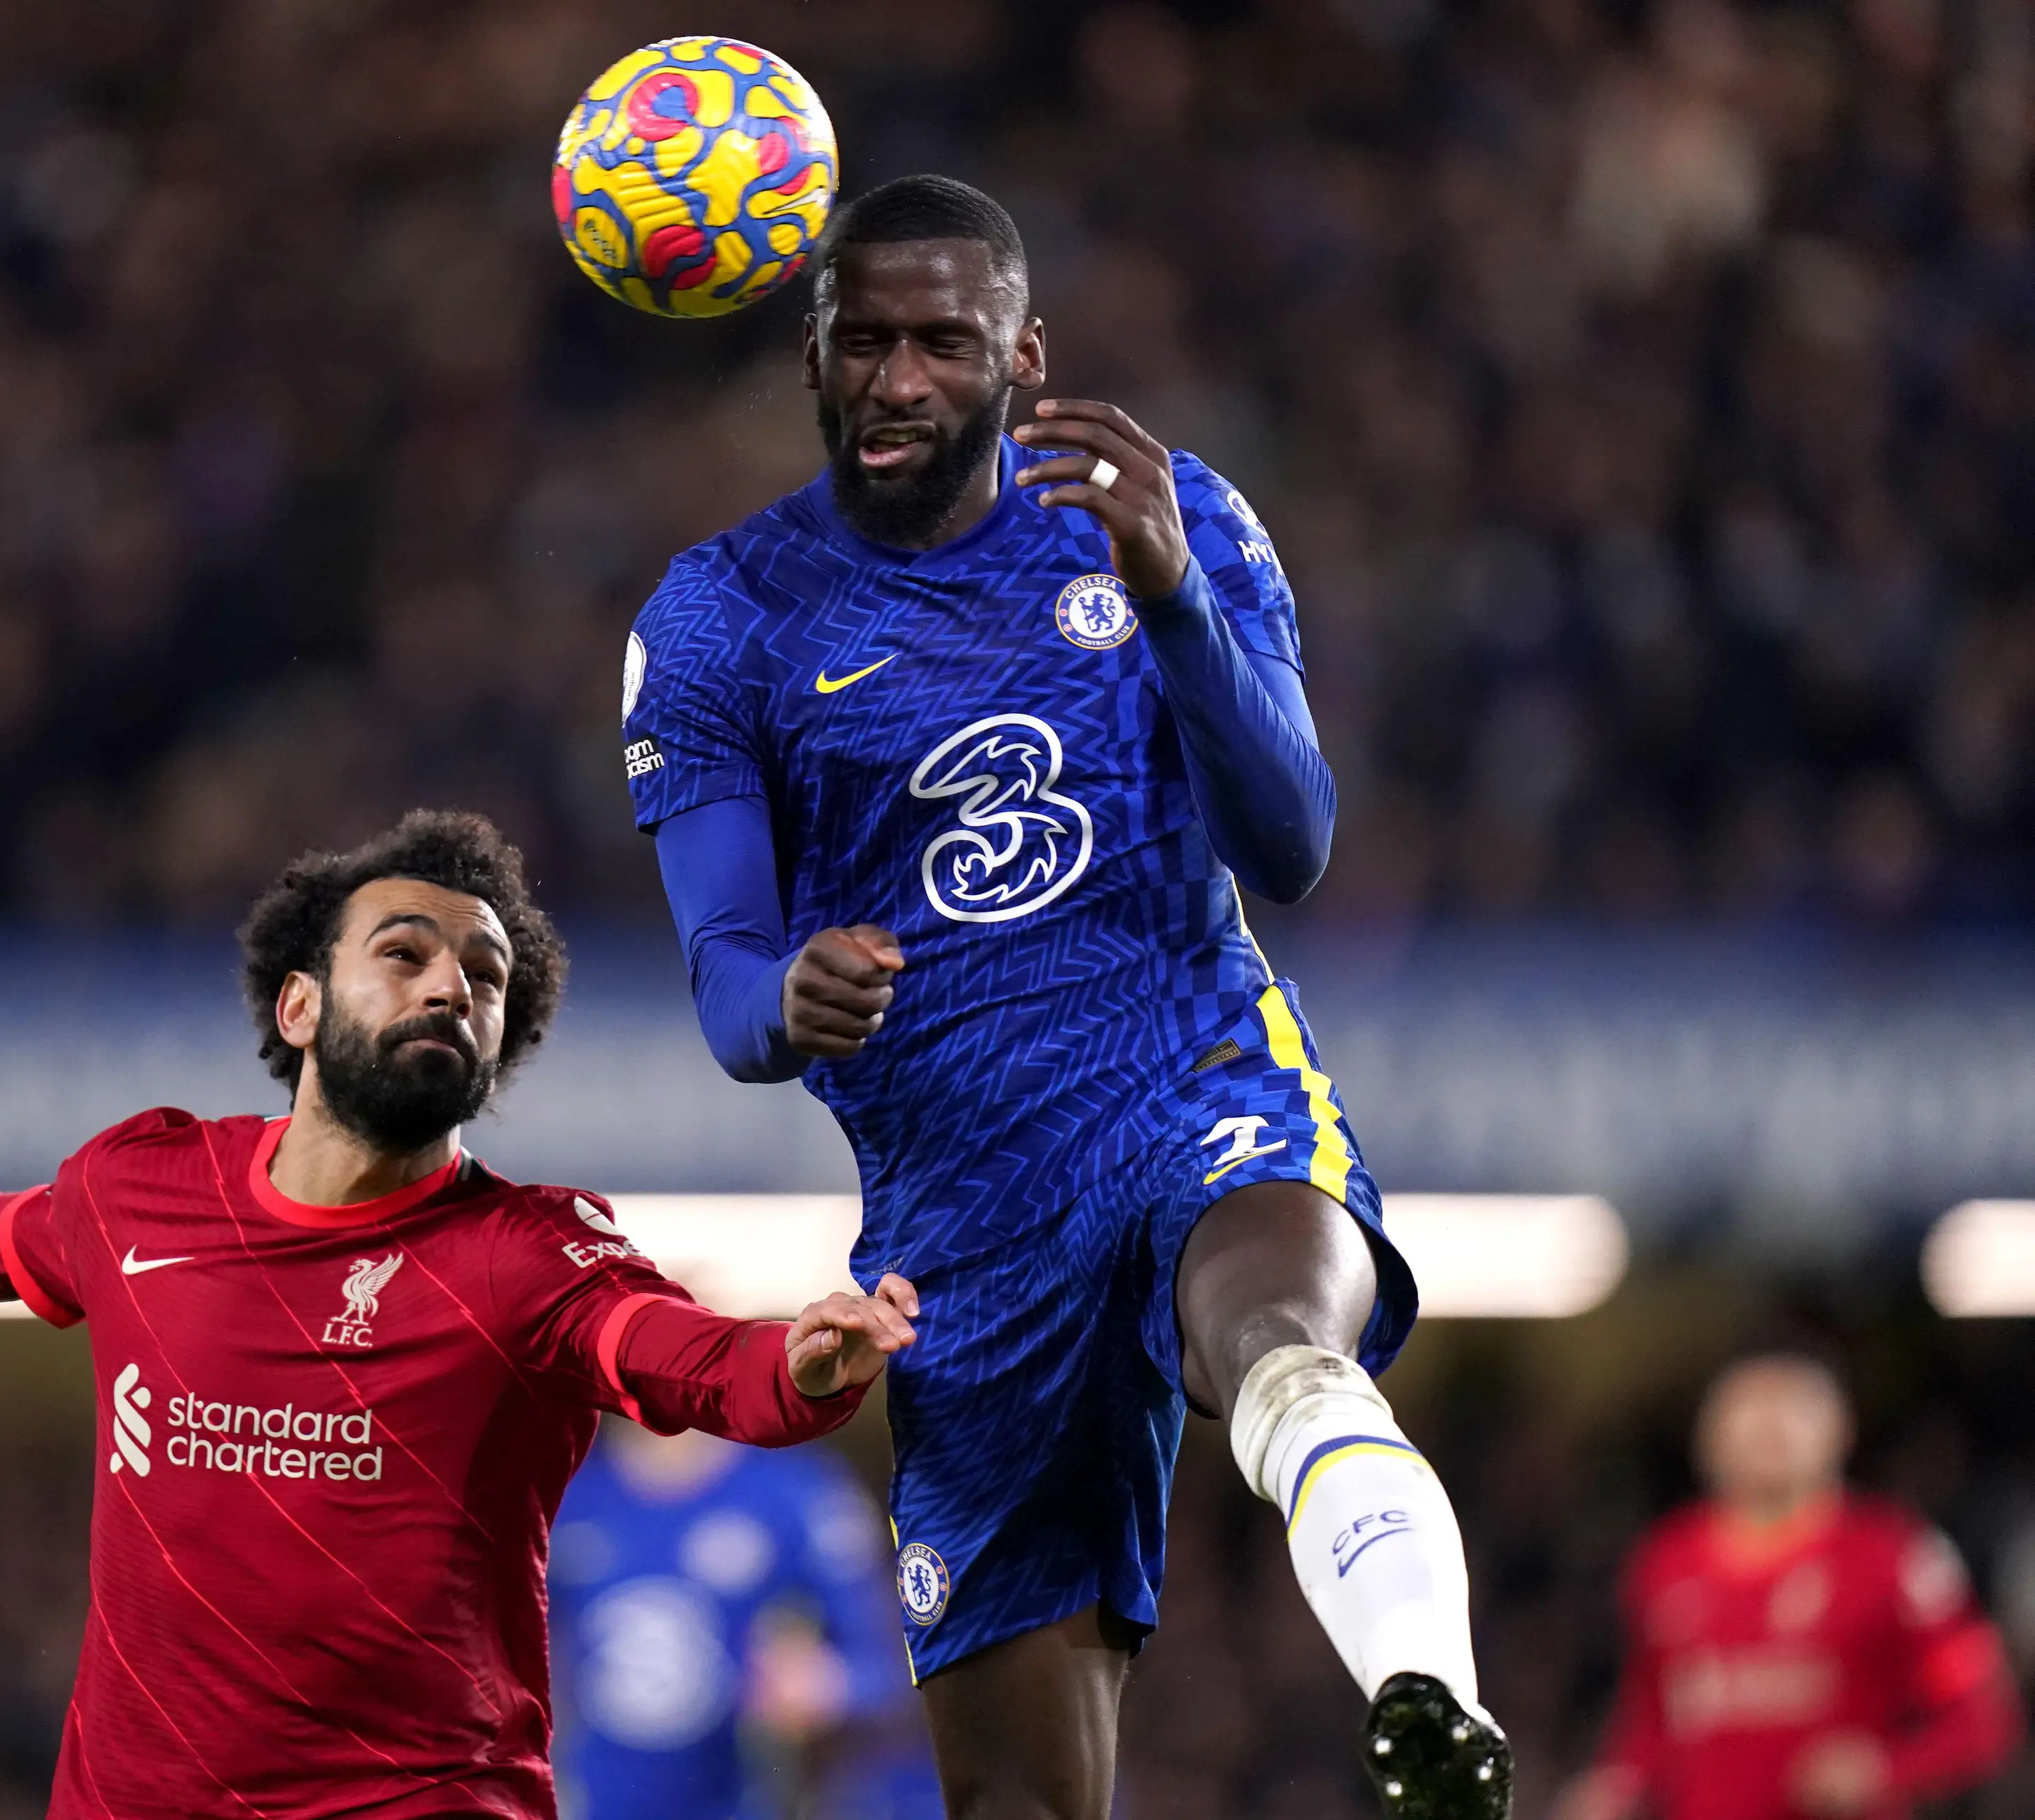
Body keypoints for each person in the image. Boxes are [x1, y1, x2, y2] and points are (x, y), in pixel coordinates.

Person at [621, 173, 1505, 1819]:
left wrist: (1169, 590)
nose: (897, 379)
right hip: (959, 1213)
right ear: (807, 355)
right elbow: (727, 982)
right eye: (862, 341)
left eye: (941, 342)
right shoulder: (717, 618)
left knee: (1285, 1349)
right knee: (1021, 1797)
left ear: (1024, 356)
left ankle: (1425, 1691)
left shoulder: (1173, 515)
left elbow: (1293, 838)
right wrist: (785, 998)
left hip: (1189, 1072)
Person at [0, 811, 922, 1820]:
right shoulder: (146, 1188)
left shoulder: (529, 1254)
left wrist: (806, 1364)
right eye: (409, 952)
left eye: (489, 978)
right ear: (302, 1000)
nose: (454, 983)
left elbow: (688, 1362)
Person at [1554, 1352, 2023, 1820]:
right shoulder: (1665, 1560)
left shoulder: (1894, 1556)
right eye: (1749, 1410)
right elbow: (1651, 1717)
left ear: (1841, 1432)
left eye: (1793, 1409)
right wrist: (1614, 1786)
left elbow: (1981, 1719)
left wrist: (1885, 1768)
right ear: (1706, 1437)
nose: (1769, 1428)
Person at [548, 1420, 941, 1820]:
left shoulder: (799, 1492)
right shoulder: (558, 1494)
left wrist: (827, 1684)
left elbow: (900, 1665)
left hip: (745, 1798)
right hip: (588, 1801)